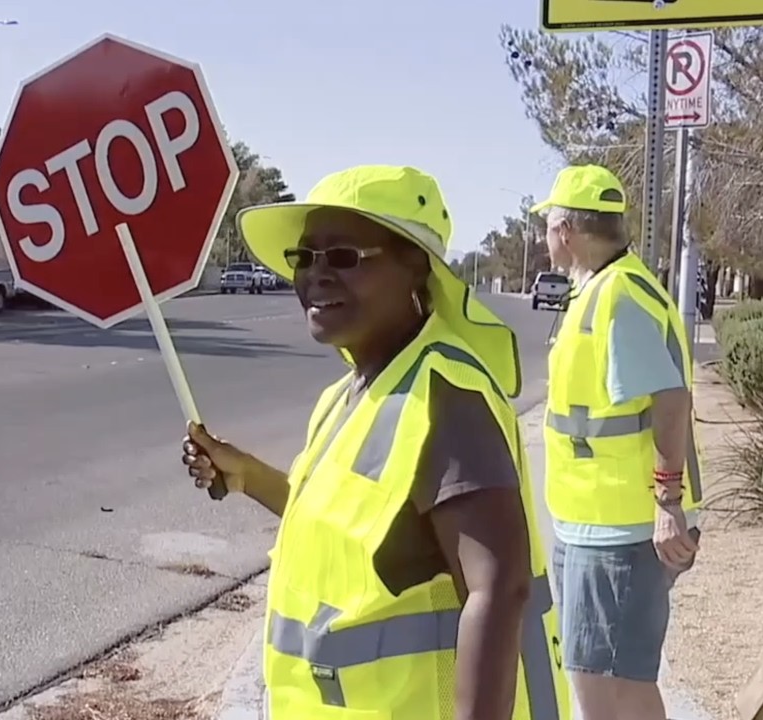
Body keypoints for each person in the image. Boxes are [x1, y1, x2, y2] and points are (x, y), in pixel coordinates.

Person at [181, 165, 569, 719]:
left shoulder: (445, 395)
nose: (315, 275)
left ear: (415, 266)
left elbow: (498, 591)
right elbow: (357, 530)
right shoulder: (349, 395)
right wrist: (248, 477)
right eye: (304, 257)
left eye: (342, 257)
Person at [532, 164, 701, 720]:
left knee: (610, 684)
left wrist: (667, 504)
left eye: (547, 225)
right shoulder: (602, 289)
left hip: (619, 531)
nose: (543, 237)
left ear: (567, 230)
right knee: (598, 675)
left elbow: (670, 401)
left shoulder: (619, 298)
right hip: (594, 523)